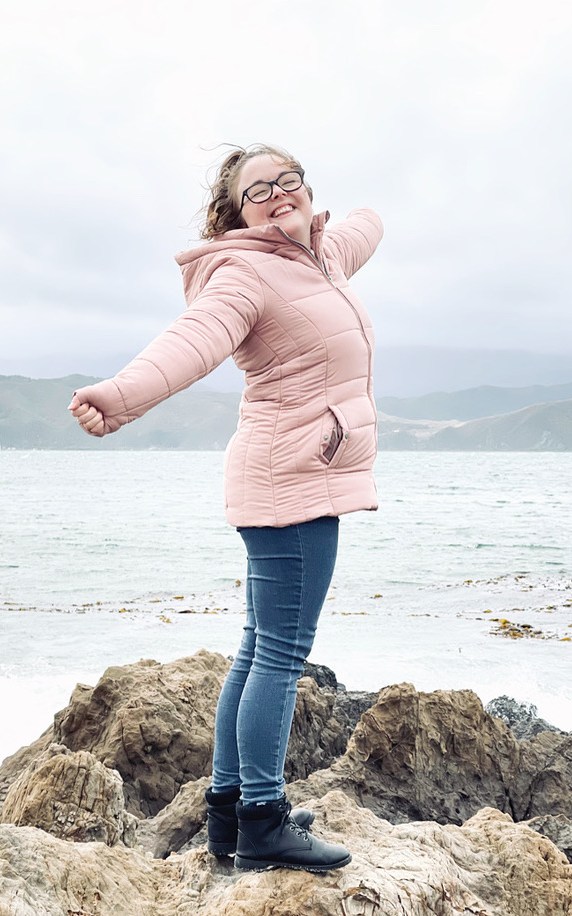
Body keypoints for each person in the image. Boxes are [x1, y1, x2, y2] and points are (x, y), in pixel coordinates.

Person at [69, 143, 383, 871]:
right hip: (291, 479)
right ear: (233, 214)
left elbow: (366, 224)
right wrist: (119, 399)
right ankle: (264, 821)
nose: (278, 195)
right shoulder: (242, 275)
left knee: (254, 647)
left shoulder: (318, 257)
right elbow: (193, 342)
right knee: (278, 653)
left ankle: (228, 812)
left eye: (288, 181)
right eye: (258, 191)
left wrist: (322, 225)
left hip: (291, 472)